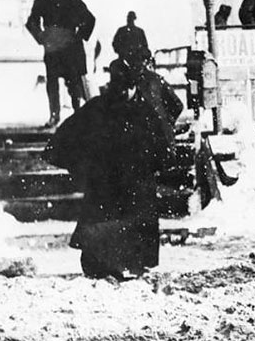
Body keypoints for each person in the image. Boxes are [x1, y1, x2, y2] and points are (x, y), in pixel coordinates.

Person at [44, 59, 172, 279]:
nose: (121, 91)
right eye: (118, 85)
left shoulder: (145, 113)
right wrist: (81, 167)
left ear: (134, 86)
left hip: (135, 182)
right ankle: (99, 267)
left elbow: (162, 148)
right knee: (101, 226)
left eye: (126, 87)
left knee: (134, 226)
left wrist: (152, 167)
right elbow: (65, 137)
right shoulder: (99, 107)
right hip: (106, 182)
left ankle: (134, 266)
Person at [25, 0, 96, 127]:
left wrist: (79, 37)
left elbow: (90, 19)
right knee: (52, 83)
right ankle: (54, 116)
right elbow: (31, 23)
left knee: (74, 82)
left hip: (70, 49)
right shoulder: (41, 2)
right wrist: (41, 37)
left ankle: (78, 115)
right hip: (52, 50)